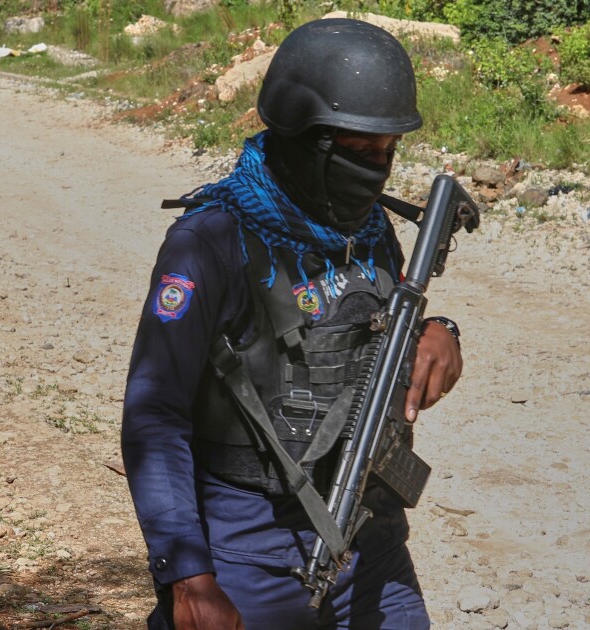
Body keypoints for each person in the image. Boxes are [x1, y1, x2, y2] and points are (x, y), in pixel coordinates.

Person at [121, 18, 463, 629]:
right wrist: (188, 574)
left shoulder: (368, 229)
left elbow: (368, 330)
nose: (377, 171)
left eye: (387, 151)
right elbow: (155, 412)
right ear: (299, 136)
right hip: (249, 549)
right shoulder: (210, 242)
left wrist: (439, 330)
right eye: (357, 153)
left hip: (370, 535)